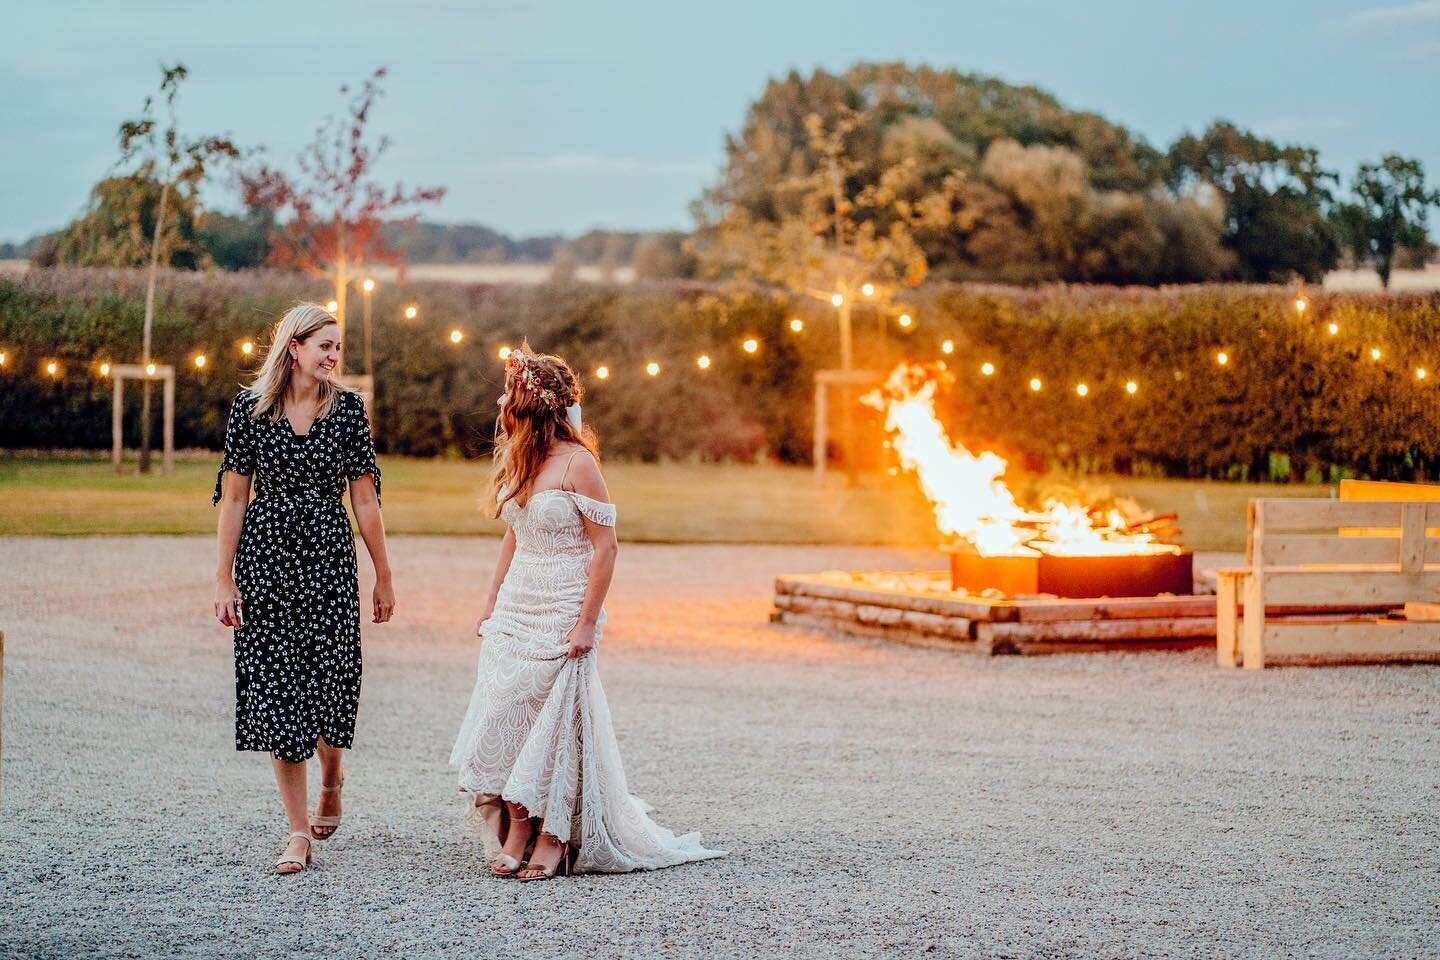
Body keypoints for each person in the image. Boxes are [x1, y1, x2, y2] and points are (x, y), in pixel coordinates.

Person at [450, 344, 725, 880]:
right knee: (507, 711)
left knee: (556, 722)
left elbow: (606, 547)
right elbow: (514, 535)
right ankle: (515, 822)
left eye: (511, 395)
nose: (502, 402)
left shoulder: (580, 463)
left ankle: (551, 835)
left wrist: (585, 622)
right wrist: (491, 600)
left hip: (563, 606)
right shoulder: (519, 458)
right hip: (518, 605)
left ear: (535, 404)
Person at [212, 302, 394, 874]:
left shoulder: (347, 412)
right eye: (325, 346)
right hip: (265, 563)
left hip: (328, 562)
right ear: (294, 347)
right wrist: (223, 577)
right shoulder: (251, 410)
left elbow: (363, 497)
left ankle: (332, 776)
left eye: (338, 347)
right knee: (278, 693)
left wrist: (383, 575)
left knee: (328, 684)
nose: (334, 356)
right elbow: (236, 496)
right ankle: (296, 832)